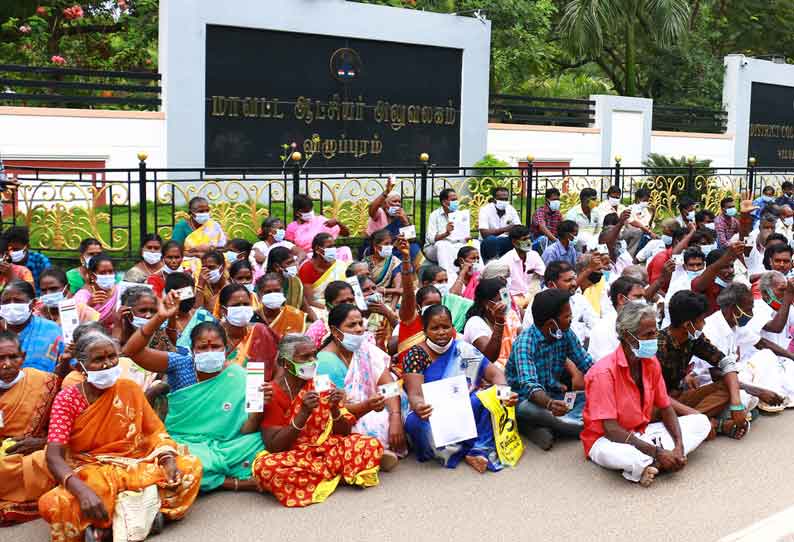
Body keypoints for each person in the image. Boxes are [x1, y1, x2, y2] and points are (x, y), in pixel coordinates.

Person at [39, 331, 201, 542]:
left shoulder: (129, 389)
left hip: (135, 463)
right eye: (98, 360)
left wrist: (167, 458)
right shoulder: (67, 399)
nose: (107, 364)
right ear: (81, 367)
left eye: (111, 357)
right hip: (92, 471)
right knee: (55, 504)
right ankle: (146, 515)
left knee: (189, 468)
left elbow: (154, 430)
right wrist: (81, 490)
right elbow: (53, 455)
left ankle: (106, 529)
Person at [581, 302, 711, 486]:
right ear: (627, 336)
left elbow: (666, 408)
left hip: (642, 432)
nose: (655, 338)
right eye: (648, 334)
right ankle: (652, 460)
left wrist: (679, 446)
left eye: (655, 332)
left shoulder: (650, 363)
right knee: (624, 455)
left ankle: (657, 462)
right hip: (608, 440)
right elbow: (611, 429)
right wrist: (657, 451)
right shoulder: (603, 373)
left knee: (700, 422)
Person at [253, 334, 383, 507]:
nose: (313, 361)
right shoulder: (273, 393)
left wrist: (335, 408)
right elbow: (274, 446)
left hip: (326, 448)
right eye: (305, 357)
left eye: (314, 355)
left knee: (370, 444)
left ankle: (321, 477)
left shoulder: (321, 382)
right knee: (267, 467)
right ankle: (341, 474)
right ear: (285, 363)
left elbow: (343, 432)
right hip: (295, 455)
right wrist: (303, 413)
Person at [403, 304, 518, 472]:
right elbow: (415, 394)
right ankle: (467, 448)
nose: (441, 332)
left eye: (445, 327)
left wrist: (504, 393)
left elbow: (495, 374)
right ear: (425, 330)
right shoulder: (415, 355)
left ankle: (479, 449)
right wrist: (420, 406)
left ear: (452, 327)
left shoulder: (464, 348)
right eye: (435, 328)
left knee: (492, 396)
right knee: (416, 424)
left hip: (464, 407)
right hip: (434, 413)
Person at [165, 320, 270, 492]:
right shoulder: (182, 370)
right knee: (176, 462)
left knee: (262, 442)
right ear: (192, 350)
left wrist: (260, 407)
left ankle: (208, 475)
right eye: (203, 348)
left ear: (226, 348)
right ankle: (230, 482)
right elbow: (134, 352)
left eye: (215, 346)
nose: (210, 352)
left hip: (231, 444)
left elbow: (247, 430)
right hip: (189, 443)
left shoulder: (240, 376)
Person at [316, 304, 405, 470]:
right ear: (335, 332)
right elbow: (332, 412)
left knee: (402, 399)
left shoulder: (364, 349)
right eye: (351, 325)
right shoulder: (325, 362)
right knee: (372, 425)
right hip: (343, 419)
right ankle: (373, 452)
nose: (359, 330)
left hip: (371, 405)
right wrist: (367, 406)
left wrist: (395, 416)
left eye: (360, 323)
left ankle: (379, 450)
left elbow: (388, 384)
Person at [506, 289, 593, 450]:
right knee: (536, 412)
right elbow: (529, 386)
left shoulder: (565, 334)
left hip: (555, 394)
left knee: (592, 397)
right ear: (550, 323)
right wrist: (550, 404)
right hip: (526, 400)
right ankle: (563, 425)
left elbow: (586, 363)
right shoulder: (525, 343)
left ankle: (546, 427)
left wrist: (610, 382)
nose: (571, 320)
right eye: (567, 317)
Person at [657, 291, 748, 438]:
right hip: (657, 404)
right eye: (701, 320)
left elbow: (725, 362)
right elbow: (656, 395)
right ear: (688, 325)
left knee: (729, 386)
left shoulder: (693, 337)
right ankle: (714, 425)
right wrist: (698, 416)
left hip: (678, 399)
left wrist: (737, 404)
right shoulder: (659, 347)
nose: (704, 324)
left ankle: (698, 425)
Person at [691, 282, 788, 410]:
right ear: (732, 308)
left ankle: (769, 399)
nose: (751, 314)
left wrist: (791, 356)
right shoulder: (711, 330)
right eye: (748, 309)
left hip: (734, 374)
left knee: (767, 355)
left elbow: (761, 343)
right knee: (744, 396)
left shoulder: (734, 323)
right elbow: (715, 373)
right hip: (714, 383)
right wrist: (755, 390)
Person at [0, 332, 59, 524]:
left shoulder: (45, 381)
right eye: (0, 358)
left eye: (13, 357)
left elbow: (65, 427)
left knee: (52, 459)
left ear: (23, 357)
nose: (7, 364)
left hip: (33, 454)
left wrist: (40, 442)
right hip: (4, 456)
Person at [1, 280, 63, 372]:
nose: (11, 305)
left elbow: (69, 364)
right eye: (6, 302)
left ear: (33, 303)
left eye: (18, 301)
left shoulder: (51, 330)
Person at [462, 278, 520, 368]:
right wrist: (499, 322)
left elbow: (524, 339)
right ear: (487, 304)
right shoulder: (475, 323)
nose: (505, 302)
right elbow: (489, 358)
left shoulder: (510, 315)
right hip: (485, 375)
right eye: (500, 299)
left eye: (506, 297)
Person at [588, 276, 646, 362]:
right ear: (621, 298)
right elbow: (605, 364)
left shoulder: (643, 322)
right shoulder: (603, 328)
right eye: (638, 297)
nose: (643, 301)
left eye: (643, 297)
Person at [113, 286, 175, 358]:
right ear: (126, 310)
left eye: (153, 311)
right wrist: (117, 328)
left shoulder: (160, 334)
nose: (148, 316)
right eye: (143, 310)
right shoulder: (117, 332)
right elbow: (115, 360)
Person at [161, 271, 215, 350]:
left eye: (190, 292)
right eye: (183, 293)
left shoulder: (203, 316)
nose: (188, 297)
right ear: (170, 294)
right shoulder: (162, 322)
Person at [498, 225, 546, 310]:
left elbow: (544, 274)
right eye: (524, 239)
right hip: (514, 299)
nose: (528, 242)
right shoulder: (505, 261)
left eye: (529, 238)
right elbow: (504, 289)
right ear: (514, 242)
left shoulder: (533, 255)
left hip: (531, 295)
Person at [286, 194, 351, 254]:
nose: (310, 213)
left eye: (311, 210)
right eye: (306, 211)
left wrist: (338, 223)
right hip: (307, 257)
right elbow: (290, 248)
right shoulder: (292, 227)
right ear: (298, 213)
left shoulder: (321, 221)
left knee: (345, 250)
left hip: (327, 254)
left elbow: (346, 234)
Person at [299, 233, 348, 313]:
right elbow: (310, 301)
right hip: (320, 307)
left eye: (334, 246)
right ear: (317, 249)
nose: (333, 249)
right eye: (329, 247)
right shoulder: (306, 269)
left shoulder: (340, 265)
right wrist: (332, 308)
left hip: (344, 303)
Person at [424, 188, 469, 272]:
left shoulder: (459, 214)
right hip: (434, 248)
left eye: (456, 199)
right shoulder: (434, 215)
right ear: (444, 202)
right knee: (443, 245)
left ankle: (478, 277)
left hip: (455, 245)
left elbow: (461, 237)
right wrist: (446, 233)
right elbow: (431, 239)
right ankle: (448, 275)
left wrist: (466, 238)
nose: (456, 202)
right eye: (453, 200)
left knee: (475, 243)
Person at [35, 268, 100, 325]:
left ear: (67, 288)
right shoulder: (37, 315)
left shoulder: (81, 310)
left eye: (53, 289)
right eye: (43, 290)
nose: (48, 293)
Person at [72, 254, 120, 330]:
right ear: (92, 276)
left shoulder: (120, 290)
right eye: (102, 273)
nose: (108, 275)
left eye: (111, 272)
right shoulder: (82, 296)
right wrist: (88, 305)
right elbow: (73, 322)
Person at [266, 246, 313, 318]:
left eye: (293, 261)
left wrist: (318, 324)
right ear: (276, 267)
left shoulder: (294, 281)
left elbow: (305, 307)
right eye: (289, 263)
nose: (294, 265)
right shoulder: (266, 285)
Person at [251, 216, 302, 281]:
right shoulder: (259, 245)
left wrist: (296, 262)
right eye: (280, 228)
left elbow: (301, 253)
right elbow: (259, 258)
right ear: (269, 232)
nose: (283, 231)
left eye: (283, 228)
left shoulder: (286, 243)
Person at [2, 226, 50, 294]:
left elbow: (49, 285)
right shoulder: (4, 263)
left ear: (27, 246)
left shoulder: (40, 261)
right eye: (9, 250)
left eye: (16, 249)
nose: (11, 253)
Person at [479, 186, 521, 262]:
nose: (504, 201)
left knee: (524, 238)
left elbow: (518, 228)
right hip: (489, 243)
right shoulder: (485, 210)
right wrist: (506, 229)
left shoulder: (510, 209)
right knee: (491, 240)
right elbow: (484, 234)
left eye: (506, 199)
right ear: (494, 200)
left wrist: (495, 231)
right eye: (501, 199)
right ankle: (494, 265)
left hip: (507, 240)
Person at [363, 229, 403, 304]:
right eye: (386, 244)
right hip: (369, 299)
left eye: (390, 243)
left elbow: (398, 290)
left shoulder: (394, 262)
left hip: (389, 300)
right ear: (376, 247)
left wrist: (392, 308)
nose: (390, 246)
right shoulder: (365, 262)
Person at [620, 188, 657, 256]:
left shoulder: (645, 210)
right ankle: (630, 255)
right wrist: (648, 231)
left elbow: (649, 225)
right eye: (644, 200)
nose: (646, 202)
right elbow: (632, 222)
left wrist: (653, 214)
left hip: (644, 232)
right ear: (638, 199)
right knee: (639, 231)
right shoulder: (630, 208)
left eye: (647, 201)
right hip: (632, 233)